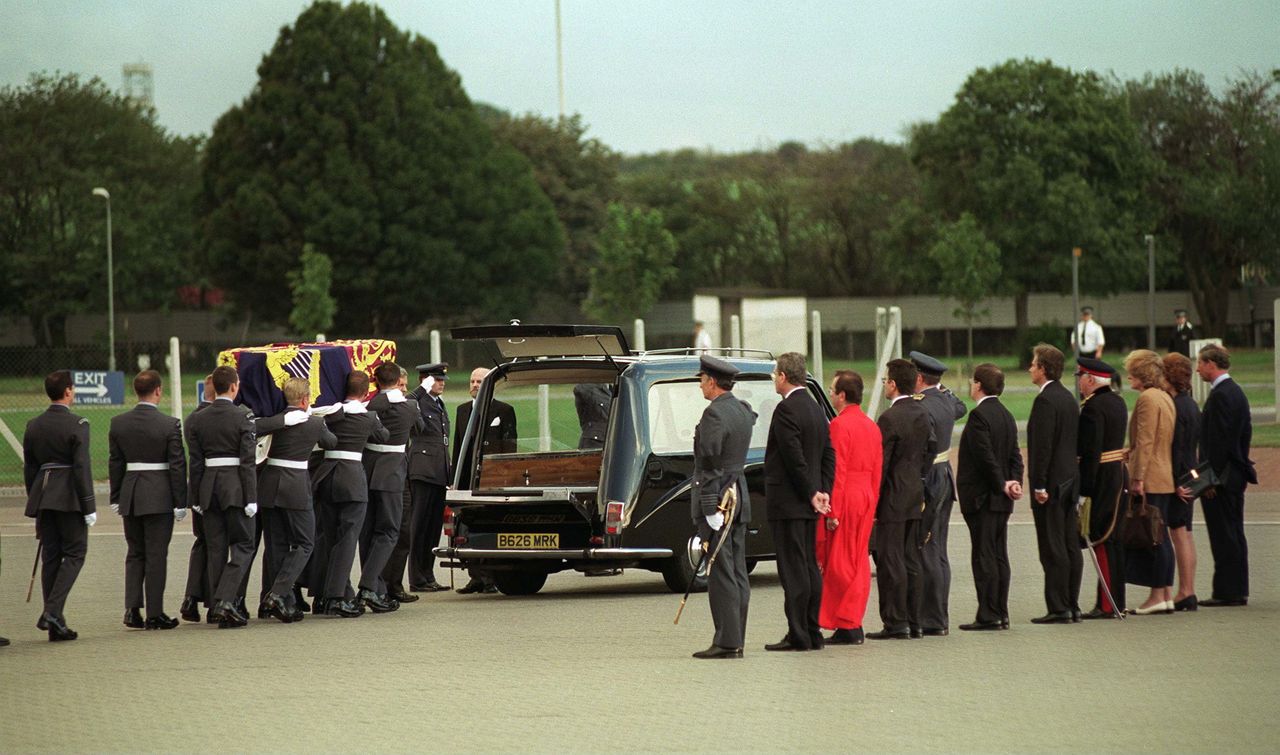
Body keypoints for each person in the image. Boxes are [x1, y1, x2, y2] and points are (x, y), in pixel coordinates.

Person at [763, 352, 834, 651]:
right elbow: (828, 453)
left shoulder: (786, 410)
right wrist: (822, 490)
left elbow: (794, 458)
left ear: (782, 376)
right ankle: (813, 630)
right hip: (809, 501)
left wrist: (809, 492)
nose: (773, 379)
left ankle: (798, 634)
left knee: (793, 570)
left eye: (774, 374)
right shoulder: (816, 408)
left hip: (790, 502)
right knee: (807, 565)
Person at [108, 369, 188, 630]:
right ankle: (154, 612)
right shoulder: (169, 424)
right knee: (156, 554)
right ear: (158, 391)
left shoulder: (118, 422)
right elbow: (177, 465)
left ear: (135, 391)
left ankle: (132, 610)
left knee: (135, 553)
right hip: (158, 495)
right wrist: (180, 501)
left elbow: (116, 463)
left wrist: (117, 495)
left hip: (131, 493)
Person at [254, 377, 338, 622]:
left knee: (276, 545)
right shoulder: (313, 423)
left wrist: (281, 420)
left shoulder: (275, 421)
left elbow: (253, 427)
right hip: (295, 487)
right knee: (304, 543)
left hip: (269, 485)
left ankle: (280, 601)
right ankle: (278, 594)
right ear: (305, 399)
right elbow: (331, 442)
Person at [689, 355, 757, 659]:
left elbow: (711, 465)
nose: (701, 385)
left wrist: (709, 508)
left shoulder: (714, 415)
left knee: (722, 572)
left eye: (702, 380)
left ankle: (727, 642)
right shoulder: (742, 410)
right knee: (738, 571)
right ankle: (736, 637)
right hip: (737, 494)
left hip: (720, 501)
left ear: (712, 382)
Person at [23, 369, 96, 641]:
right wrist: (88, 505)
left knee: (51, 556)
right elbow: (81, 467)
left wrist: (36, 498)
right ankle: (52, 612)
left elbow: (30, 468)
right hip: (68, 495)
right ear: (67, 392)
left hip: (43, 493)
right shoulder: (78, 424)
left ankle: (56, 623)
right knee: (76, 552)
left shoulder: (34, 424)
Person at [185, 365, 258, 629]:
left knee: (216, 548)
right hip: (235, 487)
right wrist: (251, 497)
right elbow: (247, 461)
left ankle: (217, 608)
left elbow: (195, 462)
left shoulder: (198, 418)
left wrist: (195, 496)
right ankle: (227, 600)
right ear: (234, 387)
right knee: (244, 545)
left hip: (208, 488)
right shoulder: (243, 417)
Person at [311, 370, 388, 617]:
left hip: (326, 477)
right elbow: (383, 436)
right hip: (352, 481)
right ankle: (336, 597)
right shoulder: (368, 417)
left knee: (329, 539)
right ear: (366, 393)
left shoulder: (330, 414)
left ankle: (328, 594)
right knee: (346, 541)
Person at [869, 358, 935, 640]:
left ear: (894, 385)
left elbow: (881, 464)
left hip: (893, 496)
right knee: (911, 557)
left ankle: (895, 622)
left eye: (886, 380)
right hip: (914, 493)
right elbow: (931, 449)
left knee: (889, 559)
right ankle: (914, 620)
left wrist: (875, 499)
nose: (885, 384)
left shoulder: (889, 418)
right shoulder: (923, 411)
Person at [815, 370, 881, 645]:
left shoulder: (840, 426)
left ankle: (847, 621)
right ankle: (852, 620)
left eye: (832, 390)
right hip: (866, 495)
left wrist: (833, 512)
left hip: (848, 497)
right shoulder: (871, 425)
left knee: (840, 561)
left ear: (842, 395)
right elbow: (878, 470)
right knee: (858, 560)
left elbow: (838, 471)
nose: (830, 394)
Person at [956, 363, 1022, 631]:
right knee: (999, 555)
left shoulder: (979, 417)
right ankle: (1000, 611)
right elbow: (1014, 455)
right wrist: (1014, 481)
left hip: (983, 497)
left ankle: (988, 613)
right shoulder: (1006, 415)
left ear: (979, 385)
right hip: (1001, 497)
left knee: (983, 556)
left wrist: (1001, 483)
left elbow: (985, 457)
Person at [909, 351, 967, 637]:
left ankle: (930, 617)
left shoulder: (922, 407)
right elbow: (961, 406)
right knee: (939, 550)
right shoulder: (944, 401)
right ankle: (938, 614)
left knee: (926, 547)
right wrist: (942, 387)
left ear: (919, 378)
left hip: (929, 479)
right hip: (944, 475)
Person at [359, 362, 423, 613]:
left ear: (376, 382)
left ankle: (376, 586)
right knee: (388, 531)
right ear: (399, 381)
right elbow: (421, 428)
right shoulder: (409, 407)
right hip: (392, 474)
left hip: (368, 469)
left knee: (367, 532)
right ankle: (370, 586)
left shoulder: (371, 405)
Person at [1194, 344, 1255, 607]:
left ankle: (1228, 591)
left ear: (1210, 363)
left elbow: (1218, 443)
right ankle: (1235, 587)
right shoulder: (1235, 392)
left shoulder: (1220, 396)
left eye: (1199, 363)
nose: (1197, 369)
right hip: (1235, 474)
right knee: (1233, 532)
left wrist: (1209, 480)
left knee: (1224, 534)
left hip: (1223, 478)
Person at [1026, 343, 1082, 624]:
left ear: (1044, 369)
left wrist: (1039, 485)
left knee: (1053, 545)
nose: (1030, 368)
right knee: (1070, 543)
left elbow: (1042, 448)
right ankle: (1071, 603)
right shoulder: (1068, 398)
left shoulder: (1046, 401)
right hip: (1069, 479)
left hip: (1052, 485)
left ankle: (1059, 605)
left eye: (1034, 364)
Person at [1123, 349, 1177, 615]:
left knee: (1152, 537)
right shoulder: (1165, 397)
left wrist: (1138, 477)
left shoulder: (1146, 399)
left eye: (1131, 372)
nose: (1128, 376)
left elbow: (1145, 440)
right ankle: (1165, 592)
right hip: (1164, 474)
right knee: (1162, 535)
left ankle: (1156, 595)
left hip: (1151, 476)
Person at [453, 366, 517, 594]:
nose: (475, 385)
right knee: (467, 527)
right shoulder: (461, 411)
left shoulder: (504, 410)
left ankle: (490, 577)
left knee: (490, 527)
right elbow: (458, 448)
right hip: (468, 481)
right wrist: (455, 480)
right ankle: (475, 577)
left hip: (493, 479)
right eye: (472, 381)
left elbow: (510, 447)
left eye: (480, 382)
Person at [1075, 357, 1129, 619]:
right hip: (1117, 472)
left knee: (1102, 538)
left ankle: (1108, 604)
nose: (1079, 383)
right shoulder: (1117, 402)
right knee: (1114, 539)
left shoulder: (1093, 408)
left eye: (1081, 377)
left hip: (1103, 477)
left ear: (1091, 380)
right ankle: (1115, 598)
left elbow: (1091, 453)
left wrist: (1084, 491)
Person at [393, 362, 451, 594]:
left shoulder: (438, 403)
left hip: (438, 471)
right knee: (418, 527)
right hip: (422, 470)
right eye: (437, 379)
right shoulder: (416, 402)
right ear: (425, 381)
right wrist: (419, 391)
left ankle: (428, 574)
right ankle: (417, 576)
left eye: (442, 379)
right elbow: (407, 405)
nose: (442, 383)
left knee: (432, 527)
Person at [1163, 352, 1201, 611]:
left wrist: (1175, 480)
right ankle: (1188, 589)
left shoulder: (1177, 406)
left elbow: (1176, 447)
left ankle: (1185, 590)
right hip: (1192, 471)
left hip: (1180, 476)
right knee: (1185, 532)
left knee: (1178, 532)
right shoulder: (1191, 404)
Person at [179, 376, 217, 623]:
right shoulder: (220, 417)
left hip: (198, 487)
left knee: (202, 543)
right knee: (216, 546)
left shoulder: (193, 418)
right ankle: (215, 602)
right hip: (217, 489)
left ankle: (191, 597)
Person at [573, 383, 612, 449]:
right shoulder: (588, 388)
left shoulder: (613, 388)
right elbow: (580, 389)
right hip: (595, 443)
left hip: (612, 441)